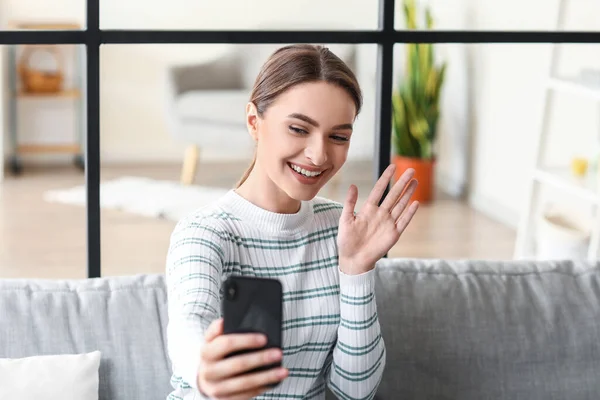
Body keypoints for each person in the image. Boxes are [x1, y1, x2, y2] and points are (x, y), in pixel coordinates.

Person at [165, 43, 419, 400]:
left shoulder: (342, 230)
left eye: (338, 137)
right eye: (299, 129)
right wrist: (204, 369)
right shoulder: (206, 232)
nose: (319, 155)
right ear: (254, 122)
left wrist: (356, 268)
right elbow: (189, 319)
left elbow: (355, 392)